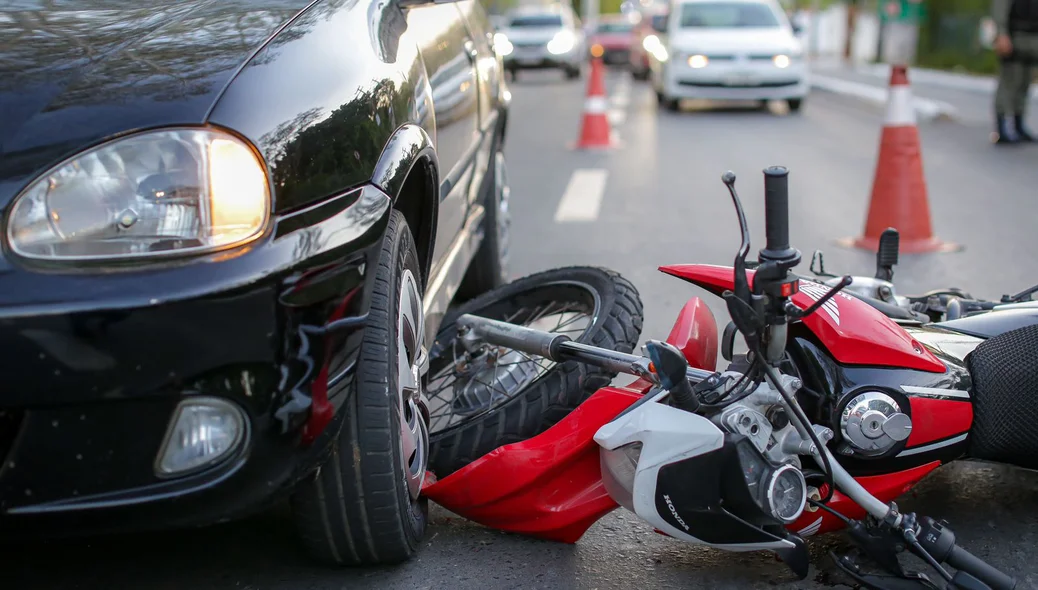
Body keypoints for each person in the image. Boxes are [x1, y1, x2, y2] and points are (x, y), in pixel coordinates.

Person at [992, 0, 1038, 144]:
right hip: (1015, 37)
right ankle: (1002, 127)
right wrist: (1001, 34)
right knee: (1009, 83)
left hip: (1033, 38)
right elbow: (1000, 9)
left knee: (1025, 83)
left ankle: (1019, 125)